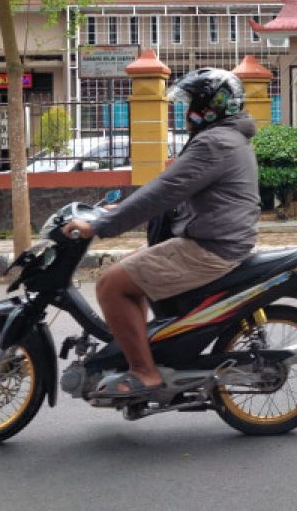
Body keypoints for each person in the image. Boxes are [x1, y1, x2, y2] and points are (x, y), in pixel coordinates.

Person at [62, 67, 260, 400]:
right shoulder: (226, 137)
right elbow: (176, 193)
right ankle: (142, 354)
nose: (185, 114)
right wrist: (116, 211)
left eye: (191, 105)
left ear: (210, 107)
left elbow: (163, 190)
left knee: (111, 284)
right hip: (218, 239)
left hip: (210, 248)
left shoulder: (215, 142)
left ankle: (145, 372)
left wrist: (101, 226)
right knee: (129, 273)